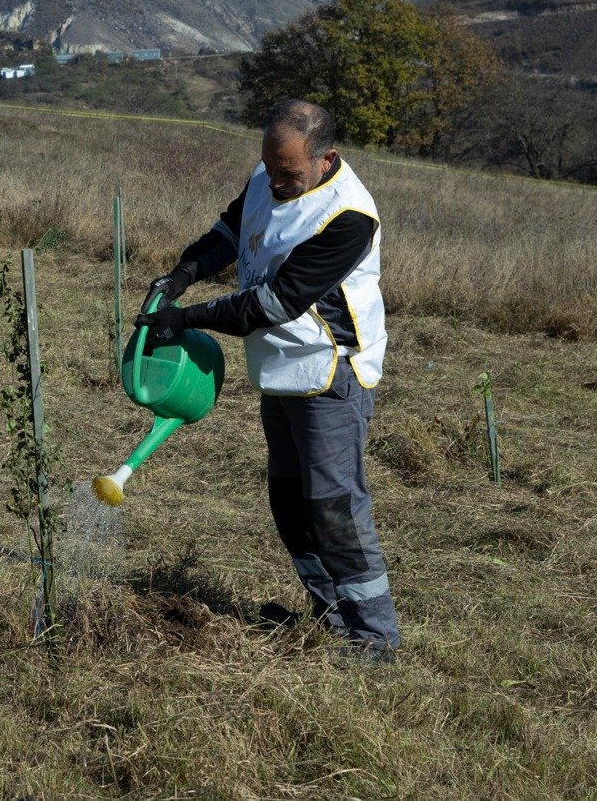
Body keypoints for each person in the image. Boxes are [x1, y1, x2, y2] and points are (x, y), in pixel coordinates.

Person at [134, 98, 399, 664]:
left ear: (326, 159)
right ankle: (329, 618)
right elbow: (231, 230)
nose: (276, 183)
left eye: (290, 175)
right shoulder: (268, 173)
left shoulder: (348, 217)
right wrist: (182, 274)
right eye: (270, 168)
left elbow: (276, 302)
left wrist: (189, 318)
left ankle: (374, 639)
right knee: (288, 500)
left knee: (333, 506)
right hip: (278, 371)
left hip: (329, 371)